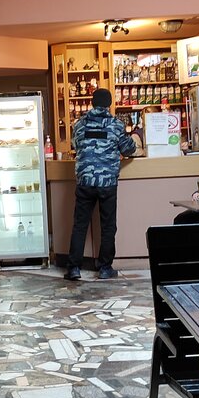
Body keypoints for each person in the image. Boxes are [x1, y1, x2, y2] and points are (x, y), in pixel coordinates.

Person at [64, 88, 136, 281]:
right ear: (109, 104)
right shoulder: (116, 125)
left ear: (92, 103)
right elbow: (128, 149)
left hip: (85, 181)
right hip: (107, 182)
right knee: (108, 226)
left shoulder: (79, 125)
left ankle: (74, 268)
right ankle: (105, 268)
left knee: (80, 225)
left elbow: (75, 145)